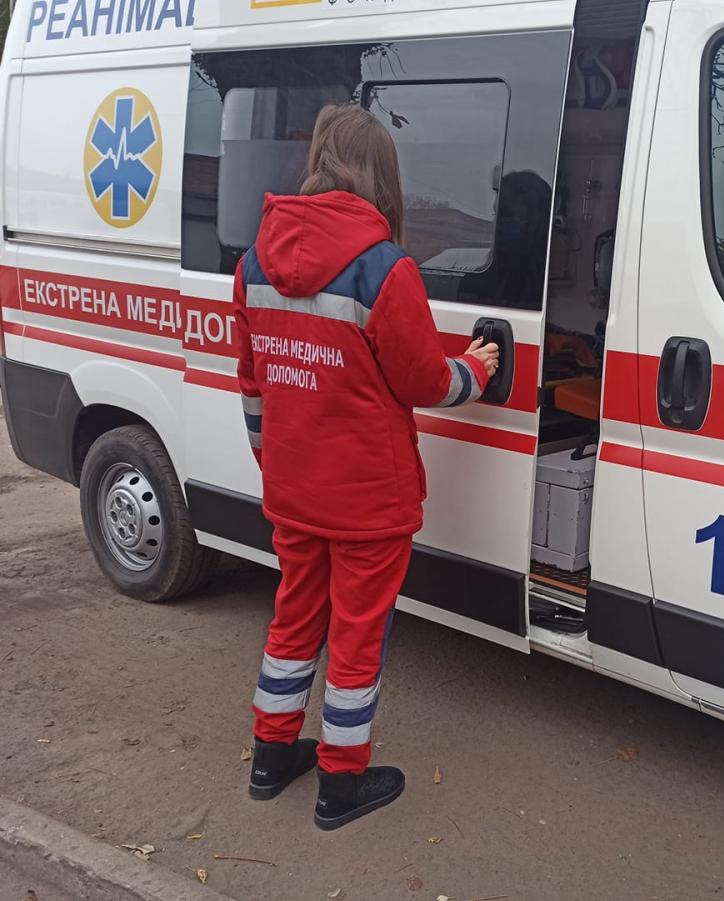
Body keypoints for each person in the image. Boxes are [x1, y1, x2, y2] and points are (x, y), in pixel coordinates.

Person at [233, 104, 500, 830]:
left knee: (293, 618)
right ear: (381, 174)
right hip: (367, 502)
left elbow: (253, 385)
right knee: (355, 637)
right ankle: (340, 784)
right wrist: (476, 370)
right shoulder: (385, 269)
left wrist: (274, 464)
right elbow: (423, 381)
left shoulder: (253, 263)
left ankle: (270, 756)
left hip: (294, 490)